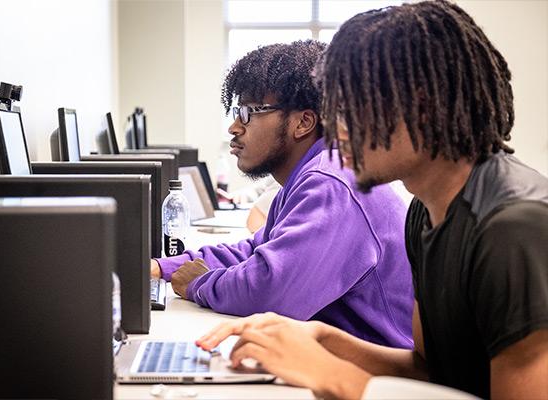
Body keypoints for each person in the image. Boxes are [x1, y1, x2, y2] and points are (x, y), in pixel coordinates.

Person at [196, 2, 548, 399]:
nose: (336, 130)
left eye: (349, 109)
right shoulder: (426, 211)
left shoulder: (513, 226)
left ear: (422, 108)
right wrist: (323, 341)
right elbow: (431, 370)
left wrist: (336, 376)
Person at [151, 40, 414, 349]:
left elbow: (270, 290)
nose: (234, 128)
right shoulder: (309, 176)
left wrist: (198, 283)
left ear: (302, 122)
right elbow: (254, 251)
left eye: (249, 112)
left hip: (373, 378)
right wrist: (165, 267)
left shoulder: (331, 181)